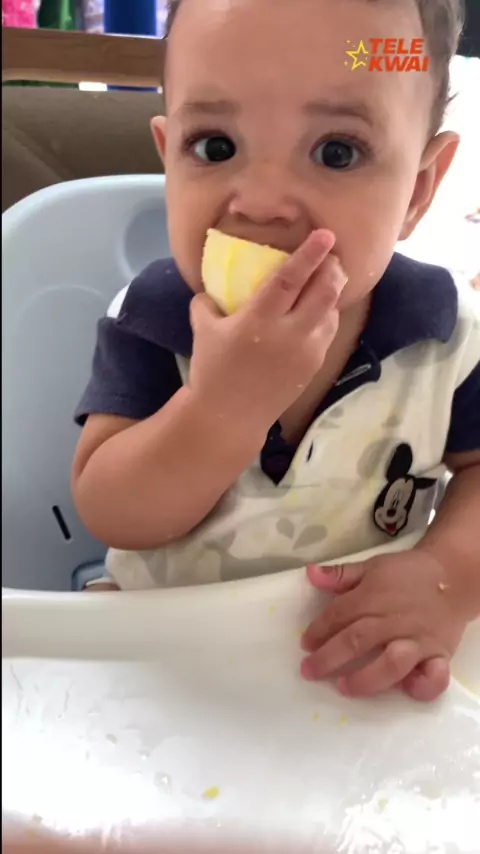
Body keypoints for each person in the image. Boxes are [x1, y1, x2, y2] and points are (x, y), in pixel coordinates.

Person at [71, 0, 480, 702]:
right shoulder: (157, 317)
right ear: (168, 157)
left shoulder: (443, 333)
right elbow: (112, 512)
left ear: (417, 190)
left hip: (352, 658)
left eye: (337, 152)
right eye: (214, 146)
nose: (261, 203)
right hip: (164, 662)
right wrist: (220, 410)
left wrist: (448, 575)